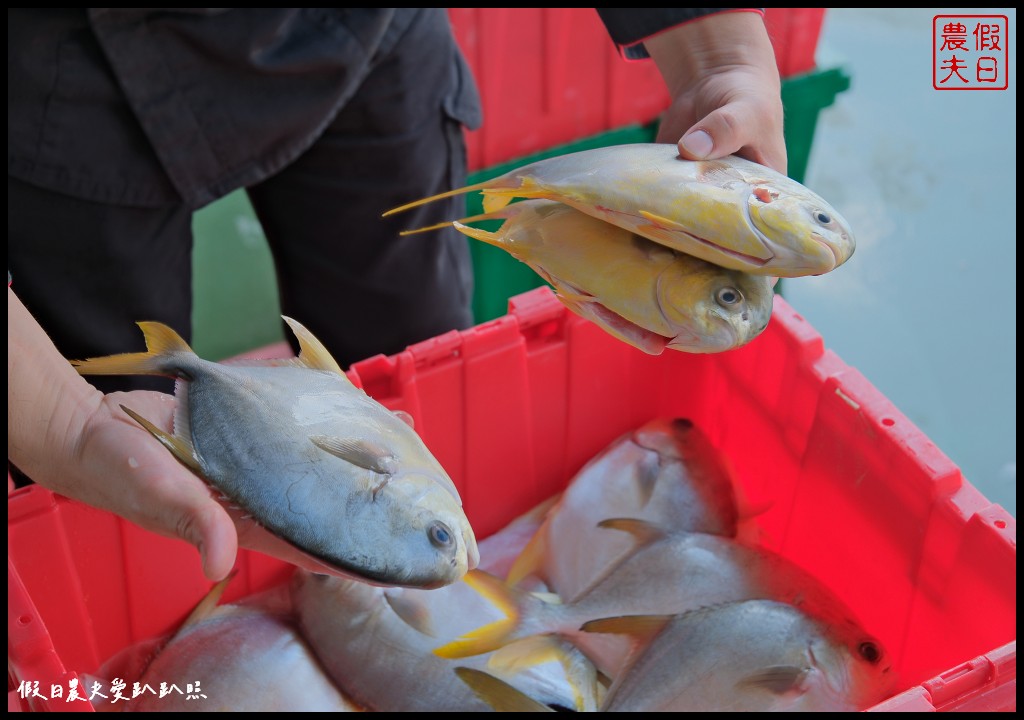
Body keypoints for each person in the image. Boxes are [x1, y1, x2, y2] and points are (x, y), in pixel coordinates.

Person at [8, 8, 787, 581]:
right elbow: (74, 423)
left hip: (354, 34)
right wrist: (55, 420)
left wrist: (717, 46)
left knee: (416, 342)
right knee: (132, 484)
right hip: (61, 88)